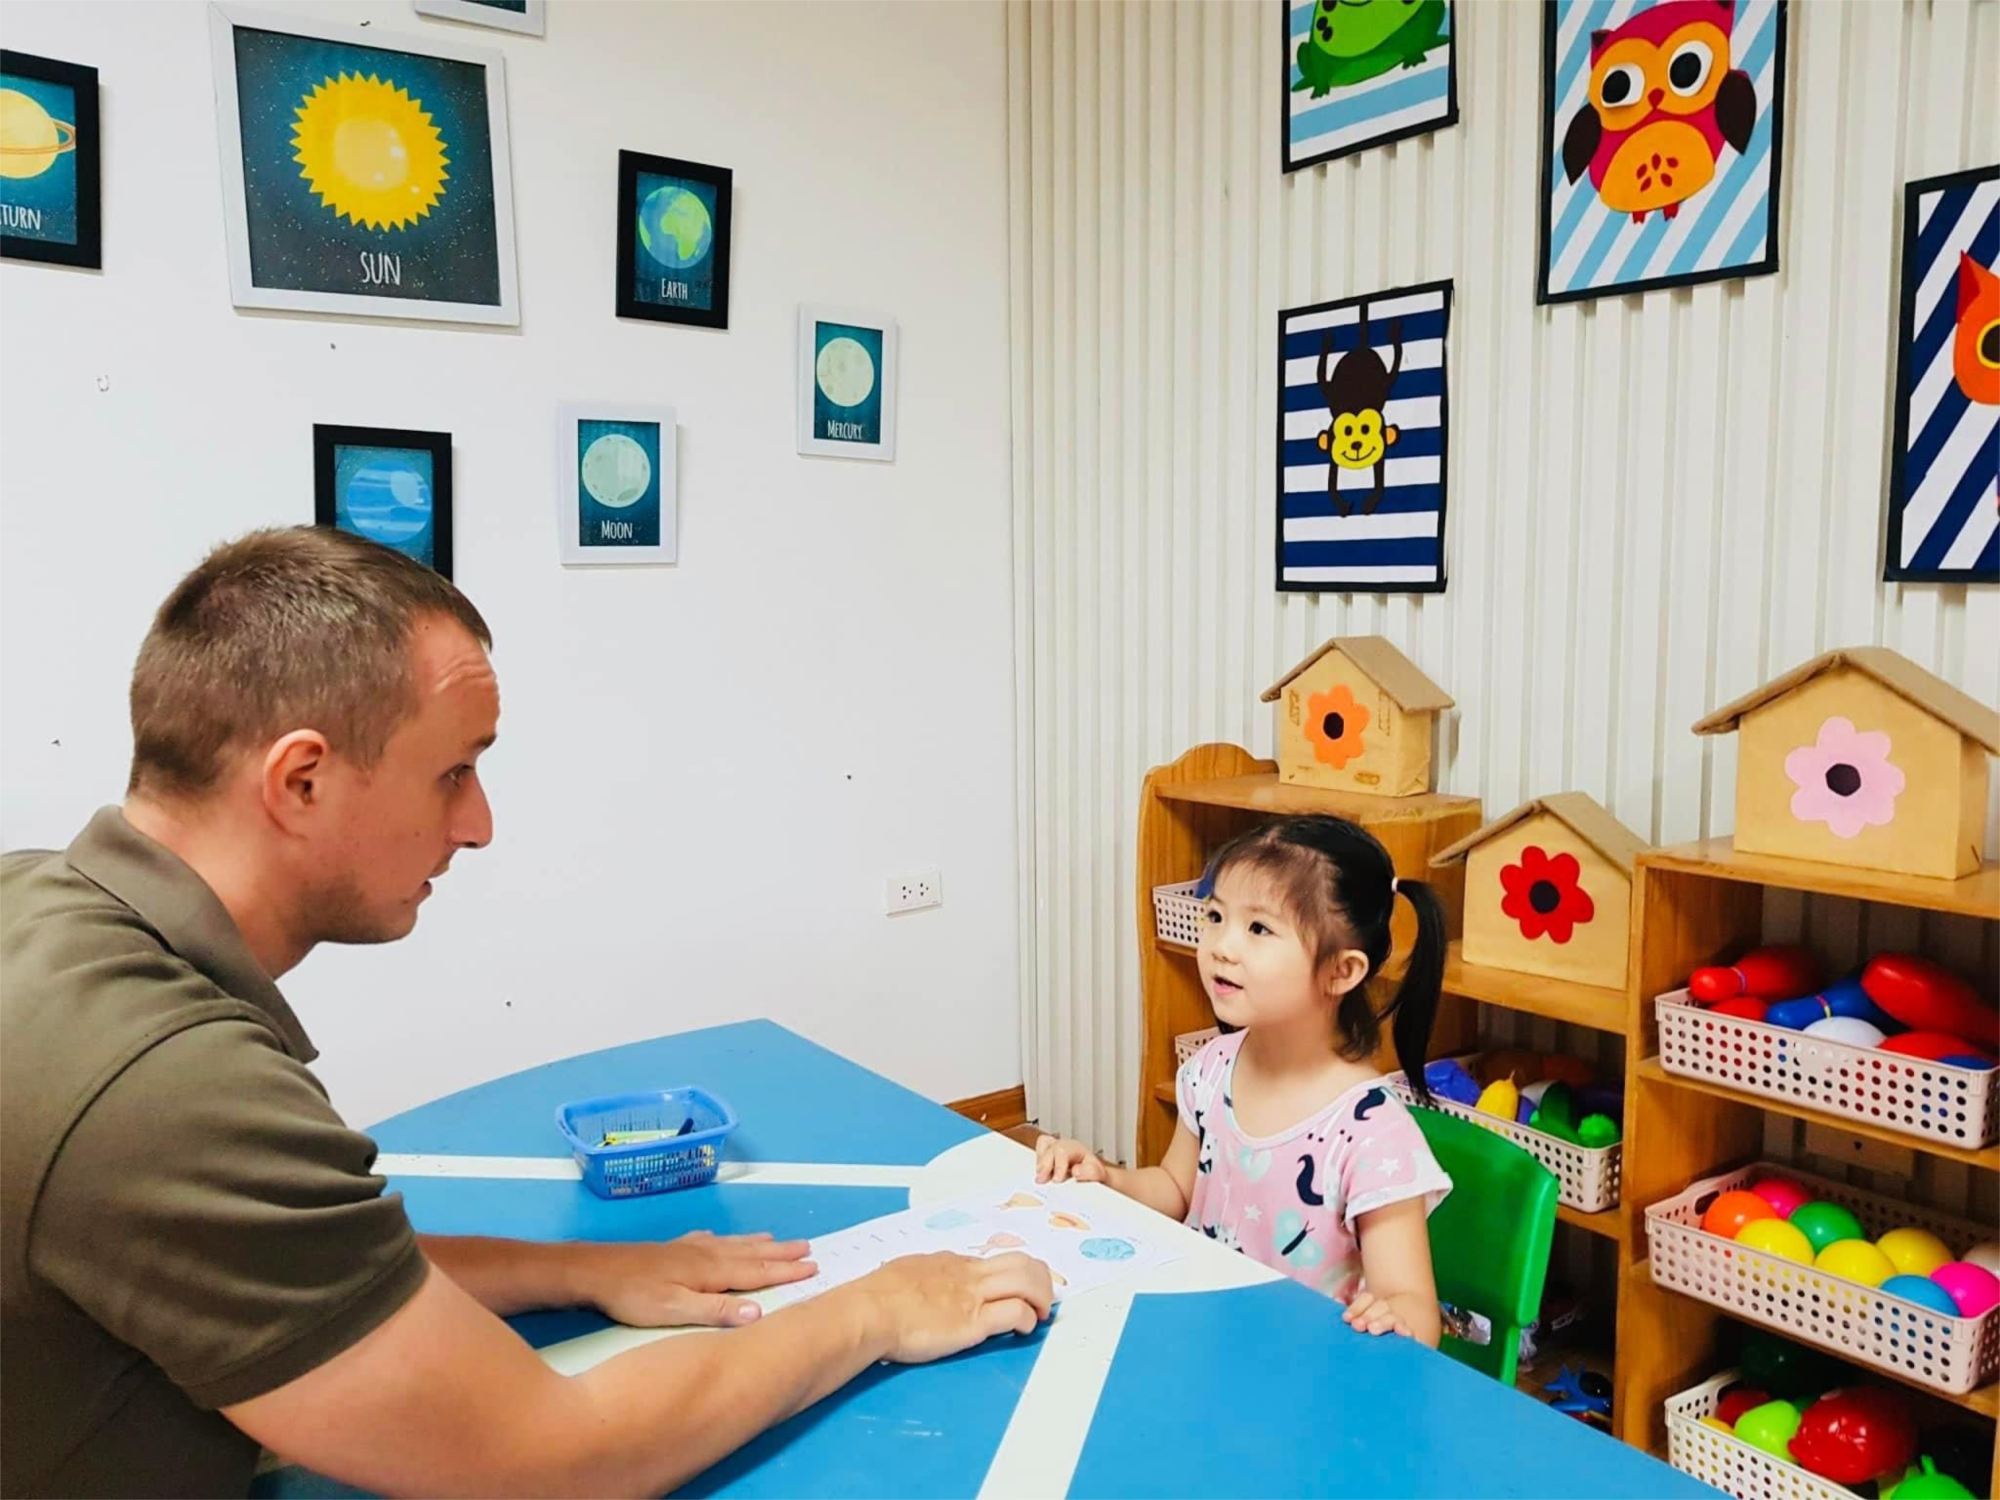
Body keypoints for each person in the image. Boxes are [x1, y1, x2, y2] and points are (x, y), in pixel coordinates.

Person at [0, 527, 1053, 1500]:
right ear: (303, 780)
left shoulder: (37, 906)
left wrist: (586, 1271)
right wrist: (874, 1308)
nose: (479, 824)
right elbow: (556, 1459)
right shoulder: (168, 1087)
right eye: (453, 772)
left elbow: (296, 1269)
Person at [1035, 815, 1450, 1344]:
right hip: (1205, 1337)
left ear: (1341, 971)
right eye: (1215, 916)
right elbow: (1175, 1189)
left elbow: (1414, 1310)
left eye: (1258, 929)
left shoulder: (1370, 1133)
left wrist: (1394, 1315)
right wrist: (1107, 1178)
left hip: (1301, 1366)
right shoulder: (1212, 1069)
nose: (1221, 946)